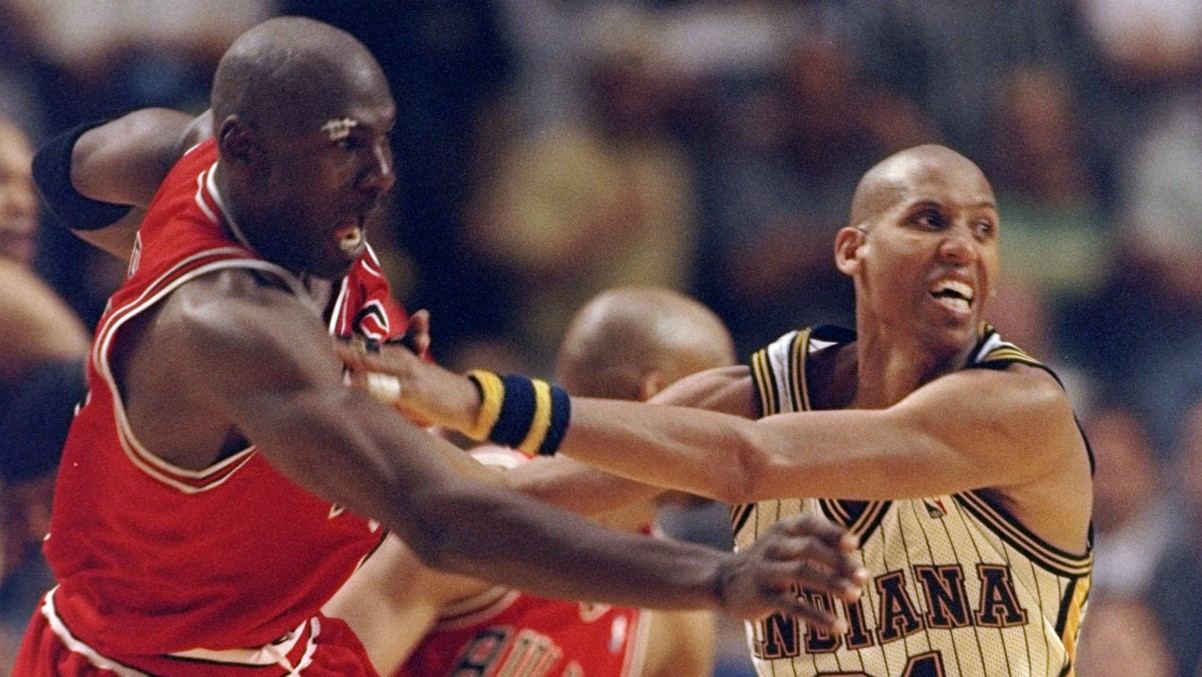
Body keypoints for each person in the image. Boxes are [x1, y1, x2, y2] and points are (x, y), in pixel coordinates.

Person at [18, 16, 866, 676]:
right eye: (348, 144)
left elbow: (58, 178)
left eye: (383, 137)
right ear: (247, 153)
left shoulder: (188, 152)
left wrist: (147, 275)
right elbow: (442, 521)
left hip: (260, 639)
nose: (383, 170)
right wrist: (718, 579)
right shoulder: (232, 325)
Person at [339, 143, 1095, 677]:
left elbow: (749, 460)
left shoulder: (1018, 406)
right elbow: (524, 500)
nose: (964, 245)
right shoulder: (757, 392)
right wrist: (363, 413)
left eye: (984, 227)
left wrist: (476, 399)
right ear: (851, 250)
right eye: (930, 219)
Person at [330, 286, 731, 676]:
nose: (735, 428)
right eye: (719, 398)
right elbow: (325, 668)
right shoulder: (476, 513)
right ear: (657, 394)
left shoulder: (677, 615)